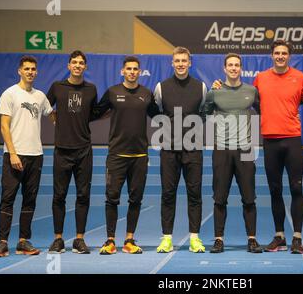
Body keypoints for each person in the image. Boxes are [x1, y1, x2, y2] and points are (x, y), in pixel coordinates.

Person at [93, 56, 160, 255]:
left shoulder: (147, 94)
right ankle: (110, 240)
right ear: (122, 71)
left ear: (140, 72)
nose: (132, 71)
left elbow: (160, 116)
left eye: (135, 69)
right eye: (128, 69)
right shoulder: (112, 92)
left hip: (139, 155)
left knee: (135, 199)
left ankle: (129, 240)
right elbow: (94, 113)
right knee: (112, 198)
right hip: (116, 155)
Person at [254, 40, 303, 254]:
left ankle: (297, 237)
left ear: (289, 56)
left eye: (284, 53)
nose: (280, 56)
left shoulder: (299, 78)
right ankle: (279, 235)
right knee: (275, 190)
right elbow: (252, 102)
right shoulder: (260, 78)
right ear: (272, 55)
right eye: (277, 53)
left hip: (292, 140)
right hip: (270, 141)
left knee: (296, 188)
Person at [0, 55, 53, 257]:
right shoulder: (10, 94)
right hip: (14, 155)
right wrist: (13, 153)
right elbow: (4, 126)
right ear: (19, 71)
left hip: (36, 155)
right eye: (26, 69)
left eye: (33, 69)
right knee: (7, 198)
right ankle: (2, 242)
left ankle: (23, 241)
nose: (30, 72)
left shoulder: (40, 96)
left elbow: (52, 116)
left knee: (30, 199)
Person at [204, 53, 263, 254]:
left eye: (237, 65)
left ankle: (252, 239)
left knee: (249, 198)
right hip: (221, 149)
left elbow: (265, 110)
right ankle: (219, 240)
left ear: (241, 68)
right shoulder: (215, 91)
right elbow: (203, 112)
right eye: (230, 65)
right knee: (219, 198)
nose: (233, 68)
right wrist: (210, 91)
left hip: (245, 150)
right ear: (224, 68)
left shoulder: (251, 91)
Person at [153, 46, 207, 253]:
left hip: (193, 150)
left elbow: (204, 112)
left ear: (190, 63)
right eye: (177, 61)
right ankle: (167, 238)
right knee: (168, 194)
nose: (181, 64)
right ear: (172, 63)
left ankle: (195, 238)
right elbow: (156, 111)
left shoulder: (201, 87)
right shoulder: (161, 87)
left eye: (184, 60)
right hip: (168, 150)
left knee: (195, 194)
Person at [47, 50, 98, 254]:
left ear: (85, 67)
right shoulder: (57, 87)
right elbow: (45, 107)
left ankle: (79, 239)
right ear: (68, 65)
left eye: (81, 63)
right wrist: (57, 121)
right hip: (62, 150)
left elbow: (95, 112)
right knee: (59, 195)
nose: (77, 65)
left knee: (83, 195)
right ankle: (58, 239)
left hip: (84, 149)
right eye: (74, 62)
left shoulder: (92, 89)